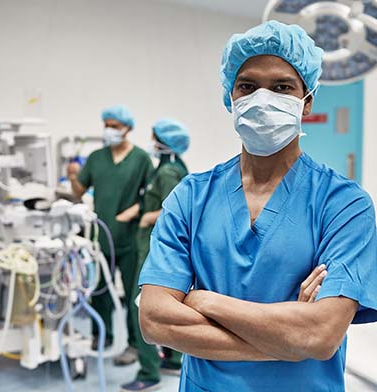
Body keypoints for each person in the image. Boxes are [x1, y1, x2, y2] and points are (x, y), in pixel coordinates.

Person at [138, 21, 377, 392]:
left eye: (282, 87)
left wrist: (205, 300)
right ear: (231, 97)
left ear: (307, 100)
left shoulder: (344, 205)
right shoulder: (191, 197)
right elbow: (156, 322)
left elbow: (319, 335)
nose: (262, 99)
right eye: (248, 86)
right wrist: (287, 341)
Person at [67, 104, 153, 365]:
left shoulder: (141, 159)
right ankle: (100, 336)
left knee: (130, 295)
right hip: (99, 239)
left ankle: (134, 345)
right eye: (107, 125)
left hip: (128, 239)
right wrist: (72, 176)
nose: (109, 130)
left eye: (114, 126)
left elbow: (150, 197)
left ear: (127, 128)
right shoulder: (96, 158)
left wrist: (132, 212)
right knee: (99, 291)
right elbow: (78, 192)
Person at [120, 118, 190, 392]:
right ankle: (173, 359)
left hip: (152, 249)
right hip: (156, 247)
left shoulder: (168, 172)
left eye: (154, 136)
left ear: (165, 141)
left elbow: (176, 210)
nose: (151, 140)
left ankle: (148, 372)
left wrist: (148, 216)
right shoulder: (168, 168)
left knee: (141, 307)